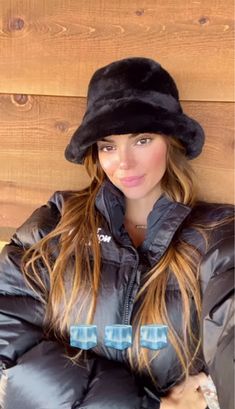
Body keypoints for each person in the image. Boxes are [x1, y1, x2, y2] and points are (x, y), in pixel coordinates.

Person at [0, 57, 234, 409]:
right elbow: (9, 350)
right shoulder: (54, 225)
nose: (123, 163)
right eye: (108, 146)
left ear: (170, 142)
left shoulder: (216, 236)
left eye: (142, 140)